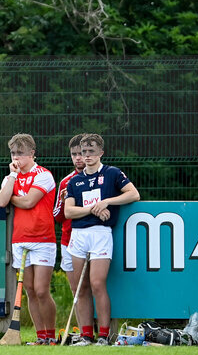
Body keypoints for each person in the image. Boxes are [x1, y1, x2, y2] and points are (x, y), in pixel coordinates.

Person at [64, 133, 140, 346]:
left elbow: (133, 194)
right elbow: (69, 212)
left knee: (98, 283)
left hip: (101, 234)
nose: (86, 156)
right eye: (83, 152)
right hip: (79, 235)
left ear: (100, 153)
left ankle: (104, 336)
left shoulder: (112, 173)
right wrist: (93, 209)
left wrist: (107, 202)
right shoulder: (75, 181)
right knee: (82, 287)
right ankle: (87, 335)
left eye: (91, 151)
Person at [0, 133, 57, 345]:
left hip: (43, 238)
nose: (16, 158)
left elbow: (30, 201)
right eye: (13, 153)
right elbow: (1, 202)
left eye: (20, 153)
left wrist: (13, 198)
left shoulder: (44, 175)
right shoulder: (10, 177)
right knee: (29, 290)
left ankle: (51, 335)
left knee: (41, 290)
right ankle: (41, 337)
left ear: (32, 153)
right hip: (20, 239)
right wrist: (12, 178)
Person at [53, 134, 89, 336]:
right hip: (69, 241)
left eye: (81, 154)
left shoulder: (102, 176)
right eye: (74, 154)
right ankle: (84, 332)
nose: (78, 158)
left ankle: (104, 331)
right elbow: (57, 216)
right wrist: (65, 200)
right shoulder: (66, 182)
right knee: (77, 291)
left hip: (94, 240)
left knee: (98, 286)